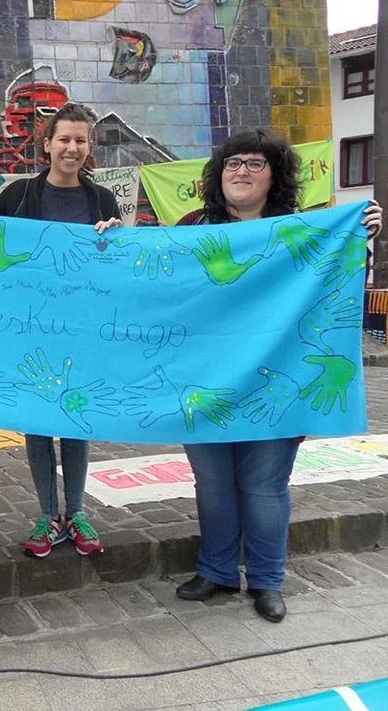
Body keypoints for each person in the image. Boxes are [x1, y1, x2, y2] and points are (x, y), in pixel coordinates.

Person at [174, 128, 383, 623]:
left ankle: (268, 580)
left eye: (255, 163)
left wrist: (361, 239)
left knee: (265, 484)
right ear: (218, 173)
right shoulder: (191, 226)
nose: (241, 171)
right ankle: (217, 571)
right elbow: (148, 278)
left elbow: (336, 287)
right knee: (212, 483)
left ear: (275, 177)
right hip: (204, 381)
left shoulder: (301, 231)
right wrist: (111, 239)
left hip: (277, 382)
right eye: (233, 163)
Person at [0, 103, 122, 559]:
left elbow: (116, 263)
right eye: (64, 138)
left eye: (81, 140)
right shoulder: (19, 195)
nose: (72, 147)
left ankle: (76, 512)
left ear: (89, 147)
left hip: (81, 330)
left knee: (75, 420)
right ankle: (48, 515)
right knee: (39, 423)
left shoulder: (102, 200)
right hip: (30, 331)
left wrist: (113, 239)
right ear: (47, 144)